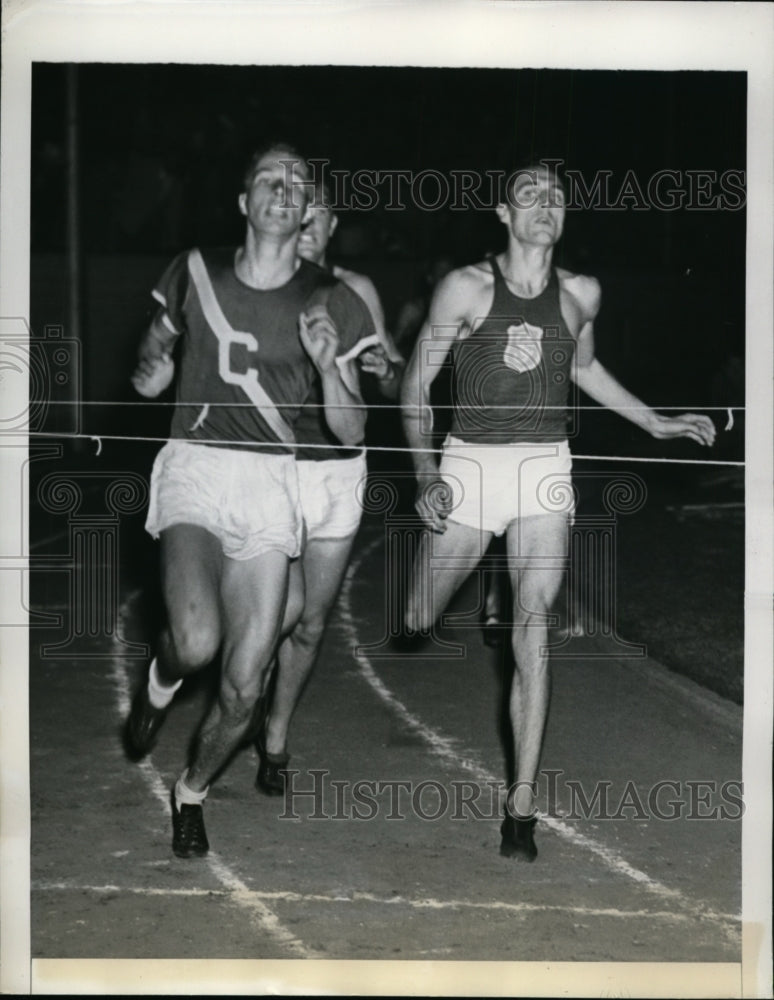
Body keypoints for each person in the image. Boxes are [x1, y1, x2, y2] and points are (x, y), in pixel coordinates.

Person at [400, 159, 716, 860]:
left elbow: (581, 366)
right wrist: (426, 474)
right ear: (504, 215)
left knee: (534, 626)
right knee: (418, 615)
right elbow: (415, 388)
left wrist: (655, 422)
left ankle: (521, 806)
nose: (545, 204)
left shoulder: (581, 294)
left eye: (556, 196)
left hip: (544, 465)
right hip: (470, 465)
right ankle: (478, 566)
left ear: (565, 215)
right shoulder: (465, 288)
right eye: (528, 194)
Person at [124, 142, 374, 858]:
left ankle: (192, 790)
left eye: (299, 183)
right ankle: (160, 682)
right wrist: (152, 371)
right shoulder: (194, 271)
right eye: (271, 178)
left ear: (306, 214)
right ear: (245, 202)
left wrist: (330, 369)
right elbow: (147, 369)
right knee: (197, 642)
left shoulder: (333, 298)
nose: (285, 188)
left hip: (271, 480)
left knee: (243, 685)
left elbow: (352, 428)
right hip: (198, 469)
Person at [253, 180, 405, 795]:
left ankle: (276, 736)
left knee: (311, 623)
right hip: (272, 465)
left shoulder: (355, 291)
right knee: (270, 612)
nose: (307, 224)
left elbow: (392, 379)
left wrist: (384, 369)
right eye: (298, 214)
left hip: (339, 467)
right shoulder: (258, 287)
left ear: (334, 224)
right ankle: (245, 692)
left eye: (318, 216)